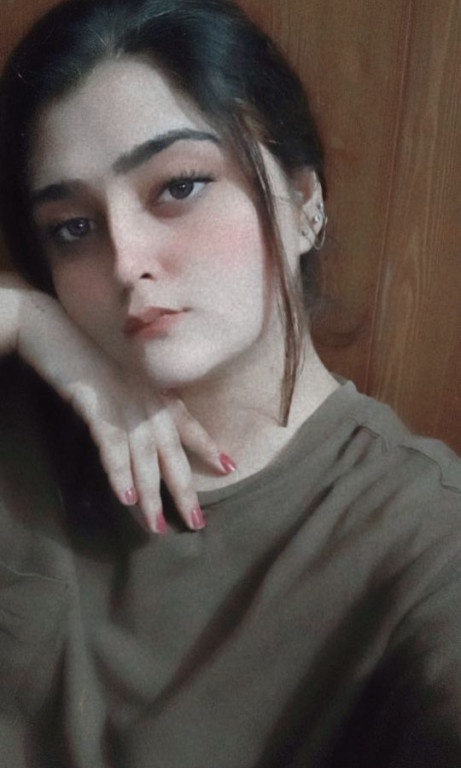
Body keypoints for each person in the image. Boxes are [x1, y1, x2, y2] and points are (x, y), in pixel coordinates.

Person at [0, 0, 460, 766]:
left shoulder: (419, 534)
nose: (125, 262)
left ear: (304, 202)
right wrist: (25, 318)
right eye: (72, 227)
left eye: (178, 186)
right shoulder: (20, 407)